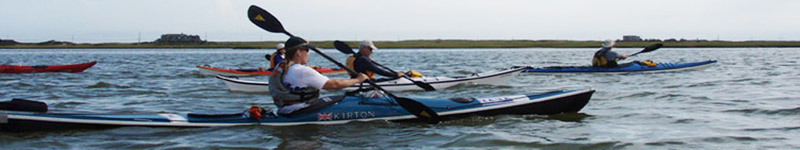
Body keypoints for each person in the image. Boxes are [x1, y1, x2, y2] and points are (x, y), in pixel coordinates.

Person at [269, 36, 369, 115]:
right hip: (301, 109)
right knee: (345, 99)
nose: (308, 54)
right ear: (298, 52)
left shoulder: (281, 67)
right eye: (307, 50)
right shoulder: (302, 71)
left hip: (284, 109)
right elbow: (334, 84)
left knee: (338, 97)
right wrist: (358, 79)